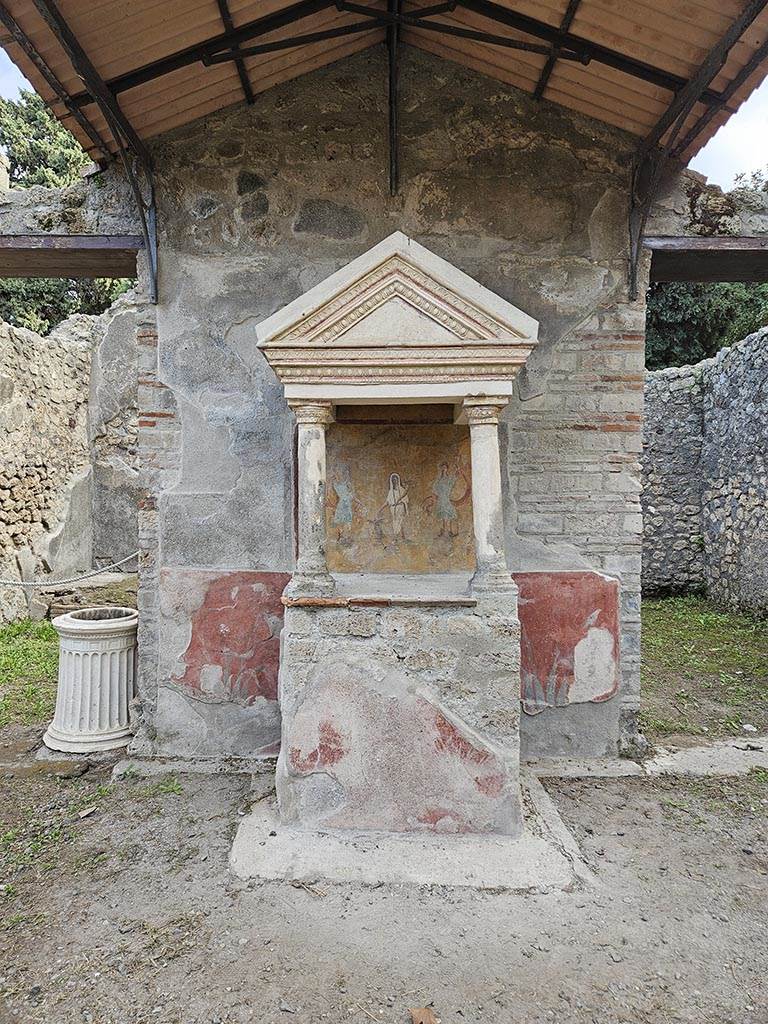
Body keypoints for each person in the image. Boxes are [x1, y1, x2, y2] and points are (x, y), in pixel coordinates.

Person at [386, 472, 409, 540]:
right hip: (393, 509)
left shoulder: (402, 489)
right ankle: (399, 536)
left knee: (400, 521)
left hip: (400, 507)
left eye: (396, 479)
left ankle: (400, 536)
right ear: (391, 481)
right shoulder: (391, 491)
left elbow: (406, 499)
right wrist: (380, 509)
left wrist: (402, 503)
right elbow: (387, 501)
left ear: (398, 480)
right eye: (393, 480)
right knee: (395, 522)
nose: (395, 481)